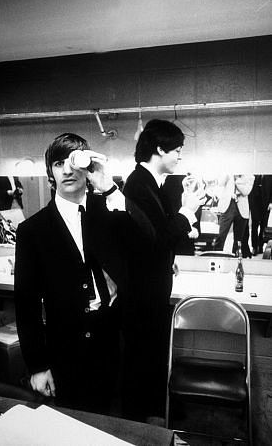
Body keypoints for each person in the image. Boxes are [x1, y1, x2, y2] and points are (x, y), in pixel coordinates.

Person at [14, 133, 144, 415]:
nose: (68, 170)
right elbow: (26, 306)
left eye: (74, 161)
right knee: (76, 423)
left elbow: (146, 242)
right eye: (59, 163)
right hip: (67, 348)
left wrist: (108, 187)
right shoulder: (32, 231)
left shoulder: (109, 212)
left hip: (114, 338)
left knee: (118, 422)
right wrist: (37, 366)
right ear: (50, 172)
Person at [122, 119, 204, 423]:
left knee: (153, 354)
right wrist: (187, 211)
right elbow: (157, 237)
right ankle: (140, 423)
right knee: (142, 358)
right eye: (177, 149)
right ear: (160, 149)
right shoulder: (137, 185)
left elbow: (156, 237)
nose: (180, 156)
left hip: (153, 288)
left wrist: (169, 255)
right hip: (142, 294)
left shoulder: (152, 184)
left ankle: (154, 414)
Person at [214, 174, 254, 256]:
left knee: (238, 240)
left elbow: (246, 191)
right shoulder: (228, 172)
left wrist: (237, 179)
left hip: (242, 209)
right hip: (227, 207)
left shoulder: (250, 175)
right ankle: (216, 256)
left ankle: (235, 260)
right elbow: (220, 183)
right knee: (221, 236)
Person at [248, 174, 272, 255]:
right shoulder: (254, 174)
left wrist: (271, 202)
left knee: (263, 226)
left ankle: (261, 246)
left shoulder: (270, 175)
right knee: (254, 226)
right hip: (255, 202)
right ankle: (254, 247)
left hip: (266, 203)